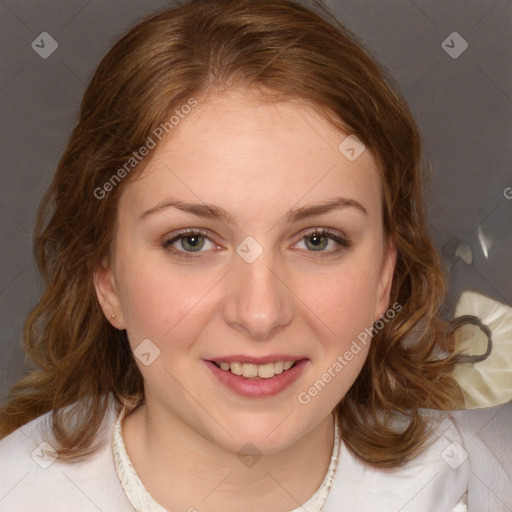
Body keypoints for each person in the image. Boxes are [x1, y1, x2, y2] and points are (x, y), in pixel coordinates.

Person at [0, 0, 510, 510]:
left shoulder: (479, 481)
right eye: (192, 241)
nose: (260, 314)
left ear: (384, 275)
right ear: (107, 277)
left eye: (318, 240)